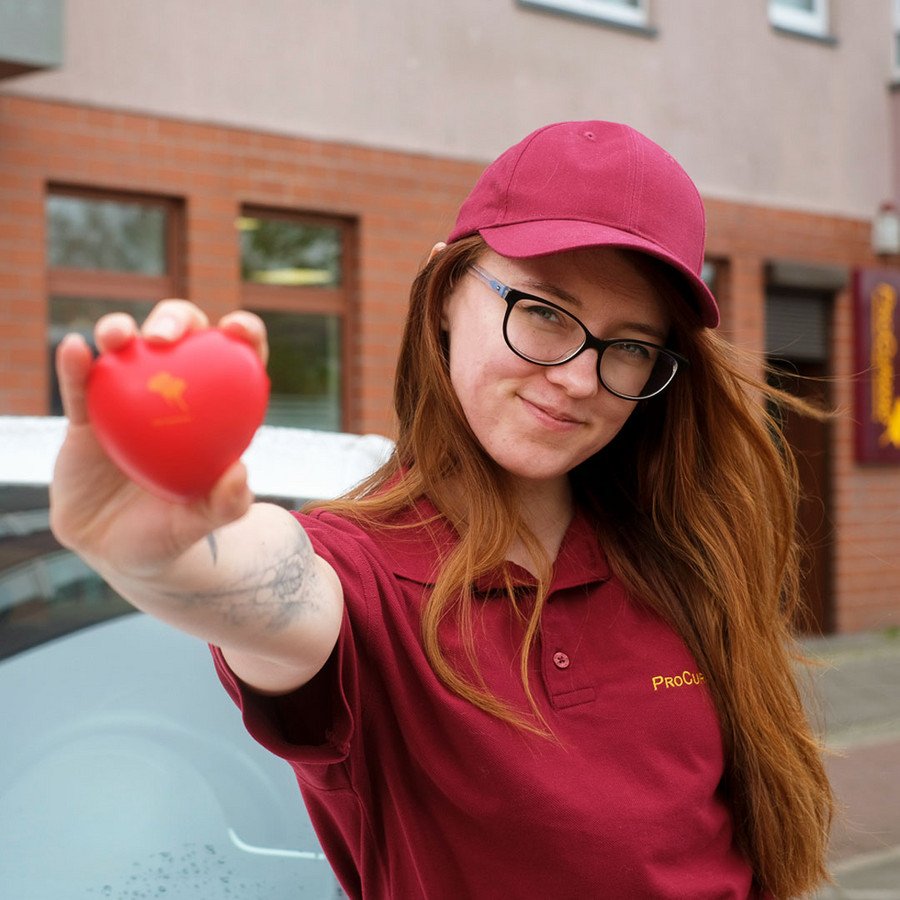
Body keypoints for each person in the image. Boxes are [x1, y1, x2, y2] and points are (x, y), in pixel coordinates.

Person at [50, 120, 834, 898]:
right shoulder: (363, 574)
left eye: (629, 346)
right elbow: (273, 594)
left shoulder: (679, 555)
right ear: (444, 293)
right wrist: (162, 557)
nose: (578, 379)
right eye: (544, 312)